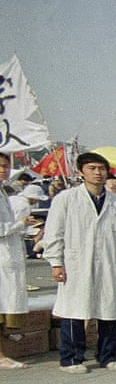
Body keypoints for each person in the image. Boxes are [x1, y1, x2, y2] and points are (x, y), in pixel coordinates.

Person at [41, 152, 116, 373]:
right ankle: (72, 359)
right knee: (75, 310)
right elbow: (54, 233)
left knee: (110, 311)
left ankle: (107, 355)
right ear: (81, 171)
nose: (97, 172)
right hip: (77, 264)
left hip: (109, 264)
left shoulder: (115, 202)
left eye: (101, 168)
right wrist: (56, 263)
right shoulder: (66, 199)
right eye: (92, 168)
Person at [0, 151, 31, 369]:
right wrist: (20, 224)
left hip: (8, 254)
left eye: (5, 166)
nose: (3, 170)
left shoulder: (4, 192)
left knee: (5, 306)